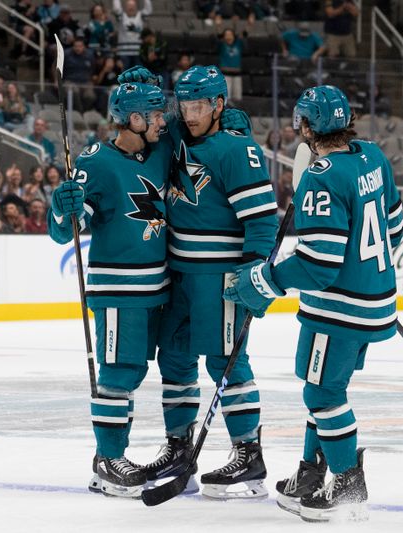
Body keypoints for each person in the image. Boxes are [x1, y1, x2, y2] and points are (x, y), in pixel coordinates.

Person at [224, 85, 403, 522]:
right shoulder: (372, 155)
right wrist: (367, 275)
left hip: (338, 310)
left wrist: (264, 279)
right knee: (325, 387)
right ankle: (310, 471)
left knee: (322, 393)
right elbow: (394, 227)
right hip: (373, 299)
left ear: (308, 125)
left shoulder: (323, 175)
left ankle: (346, 480)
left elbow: (319, 264)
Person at [135, 65, 278, 500]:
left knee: (225, 363)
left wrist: (254, 275)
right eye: (185, 105)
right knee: (174, 359)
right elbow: (142, 123)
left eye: (200, 105)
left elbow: (263, 221)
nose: (190, 114)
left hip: (220, 278)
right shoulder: (177, 133)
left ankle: (248, 456)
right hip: (178, 273)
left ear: (219, 104)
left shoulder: (237, 151)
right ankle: (180, 449)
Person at [47, 81, 172, 498]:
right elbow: (66, 230)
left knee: (134, 373)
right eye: (154, 114)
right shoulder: (95, 161)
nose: (162, 120)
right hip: (119, 290)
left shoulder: (159, 150)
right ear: (134, 119)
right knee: (117, 376)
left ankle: (115, 454)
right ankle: (107, 460)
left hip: (158, 288)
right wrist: (62, 210)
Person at [112, 0, 152, 70]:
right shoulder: (121, 17)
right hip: (124, 53)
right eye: (129, 6)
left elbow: (148, 10)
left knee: (138, 75)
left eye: (133, 6)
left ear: (136, 7)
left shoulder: (141, 16)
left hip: (138, 52)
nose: (131, 8)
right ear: (125, 7)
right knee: (125, 75)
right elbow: (116, 9)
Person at [218, 29, 244, 102]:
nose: (228, 36)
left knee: (237, 97)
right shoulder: (222, 45)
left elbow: (244, 34)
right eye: (226, 35)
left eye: (230, 34)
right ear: (224, 37)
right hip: (226, 74)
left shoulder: (238, 44)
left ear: (234, 36)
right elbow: (218, 37)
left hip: (237, 74)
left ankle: (235, 112)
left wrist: (249, 25)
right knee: (226, 97)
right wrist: (218, 27)